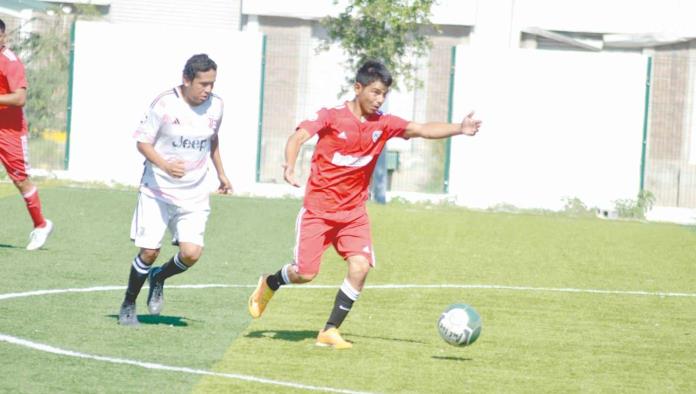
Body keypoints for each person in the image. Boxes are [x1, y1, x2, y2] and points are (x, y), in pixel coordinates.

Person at [248, 60, 482, 348]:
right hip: (318, 212)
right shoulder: (331, 118)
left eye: (383, 93)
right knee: (305, 273)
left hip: (353, 215)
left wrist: (460, 127)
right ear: (357, 88)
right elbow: (298, 137)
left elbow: (421, 129)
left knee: (360, 267)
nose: (379, 99)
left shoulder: (383, 124)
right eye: (374, 92)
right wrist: (290, 164)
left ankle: (329, 330)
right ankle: (270, 283)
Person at [118, 53, 231, 326]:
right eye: (203, 83)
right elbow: (142, 143)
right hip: (157, 189)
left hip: (194, 192)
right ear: (186, 79)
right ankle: (129, 303)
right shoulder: (165, 103)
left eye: (212, 84)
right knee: (148, 251)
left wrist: (222, 173)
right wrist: (166, 165)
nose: (208, 90)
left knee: (191, 254)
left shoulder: (216, 106)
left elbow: (212, 140)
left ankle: (159, 277)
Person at [0, 19, 53, 250]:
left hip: (9, 131)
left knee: (20, 180)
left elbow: (19, 98)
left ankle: (41, 225)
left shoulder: (10, 62)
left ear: (3, 37)